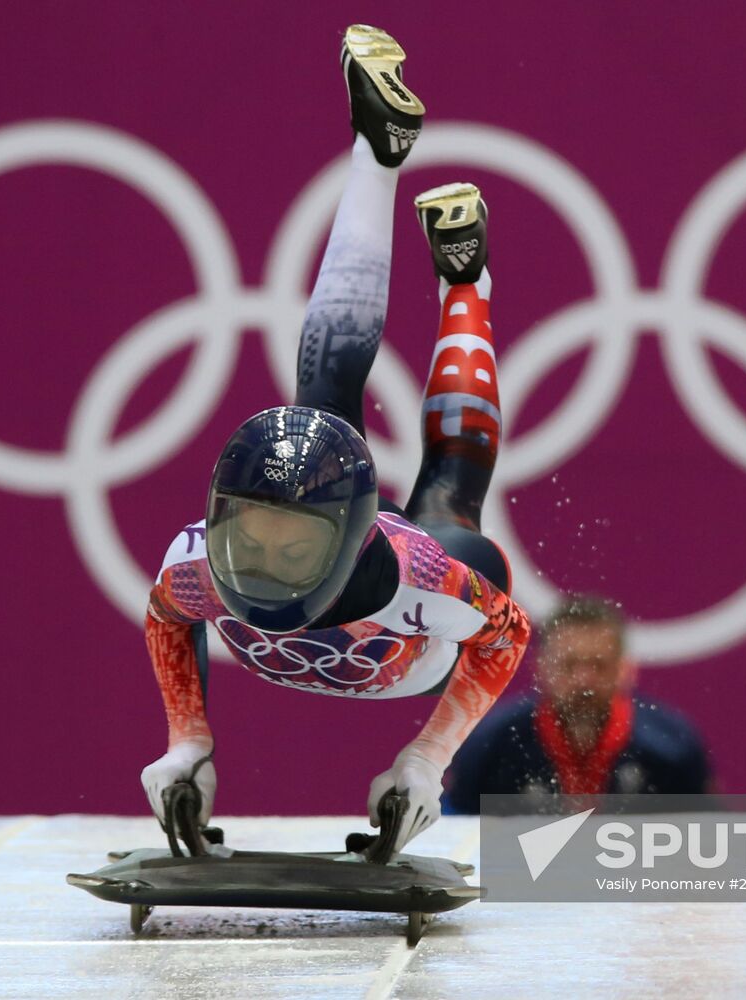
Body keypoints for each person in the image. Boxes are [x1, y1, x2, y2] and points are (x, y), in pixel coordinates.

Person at [138, 25, 531, 853]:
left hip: (413, 645)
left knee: (450, 497)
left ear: (351, 537)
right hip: (372, 594)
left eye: (290, 553)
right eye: (253, 542)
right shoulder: (193, 564)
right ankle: (377, 154)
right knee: (317, 404)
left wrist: (428, 758)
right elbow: (167, 618)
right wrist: (188, 743)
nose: (266, 568)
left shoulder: (427, 579)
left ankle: (467, 283)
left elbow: (507, 634)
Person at [444, 596, 712, 813]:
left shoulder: (671, 746)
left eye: (599, 665)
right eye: (568, 665)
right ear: (541, 667)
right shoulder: (492, 744)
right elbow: (454, 834)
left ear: (625, 668)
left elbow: (705, 838)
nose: (584, 680)